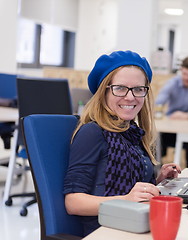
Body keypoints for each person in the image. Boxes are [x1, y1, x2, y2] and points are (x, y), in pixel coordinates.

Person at [63, 50, 181, 236]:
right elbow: (73, 203)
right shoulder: (92, 132)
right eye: (120, 88)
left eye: (138, 89)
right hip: (106, 231)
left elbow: (129, 184)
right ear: (104, 91)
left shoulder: (131, 132)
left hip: (133, 224)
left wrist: (158, 181)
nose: (130, 97)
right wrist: (126, 199)